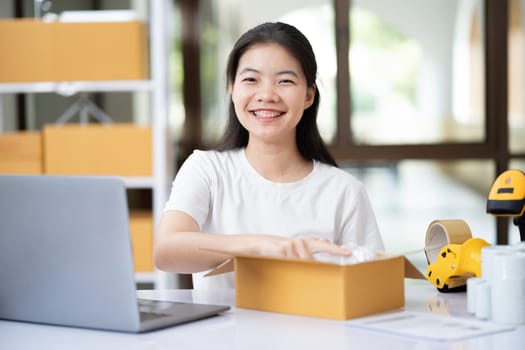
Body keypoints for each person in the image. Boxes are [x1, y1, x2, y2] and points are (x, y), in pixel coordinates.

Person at [154, 22, 384, 289]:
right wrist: (261, 245)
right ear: (232, 88)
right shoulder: (206, 170)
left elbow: (373, 285)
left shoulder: (344, 191)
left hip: (313, 331)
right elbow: (166, 251)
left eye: (285, 81)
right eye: (251, 79)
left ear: (309, 94)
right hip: (221, 332)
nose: (266, 95)